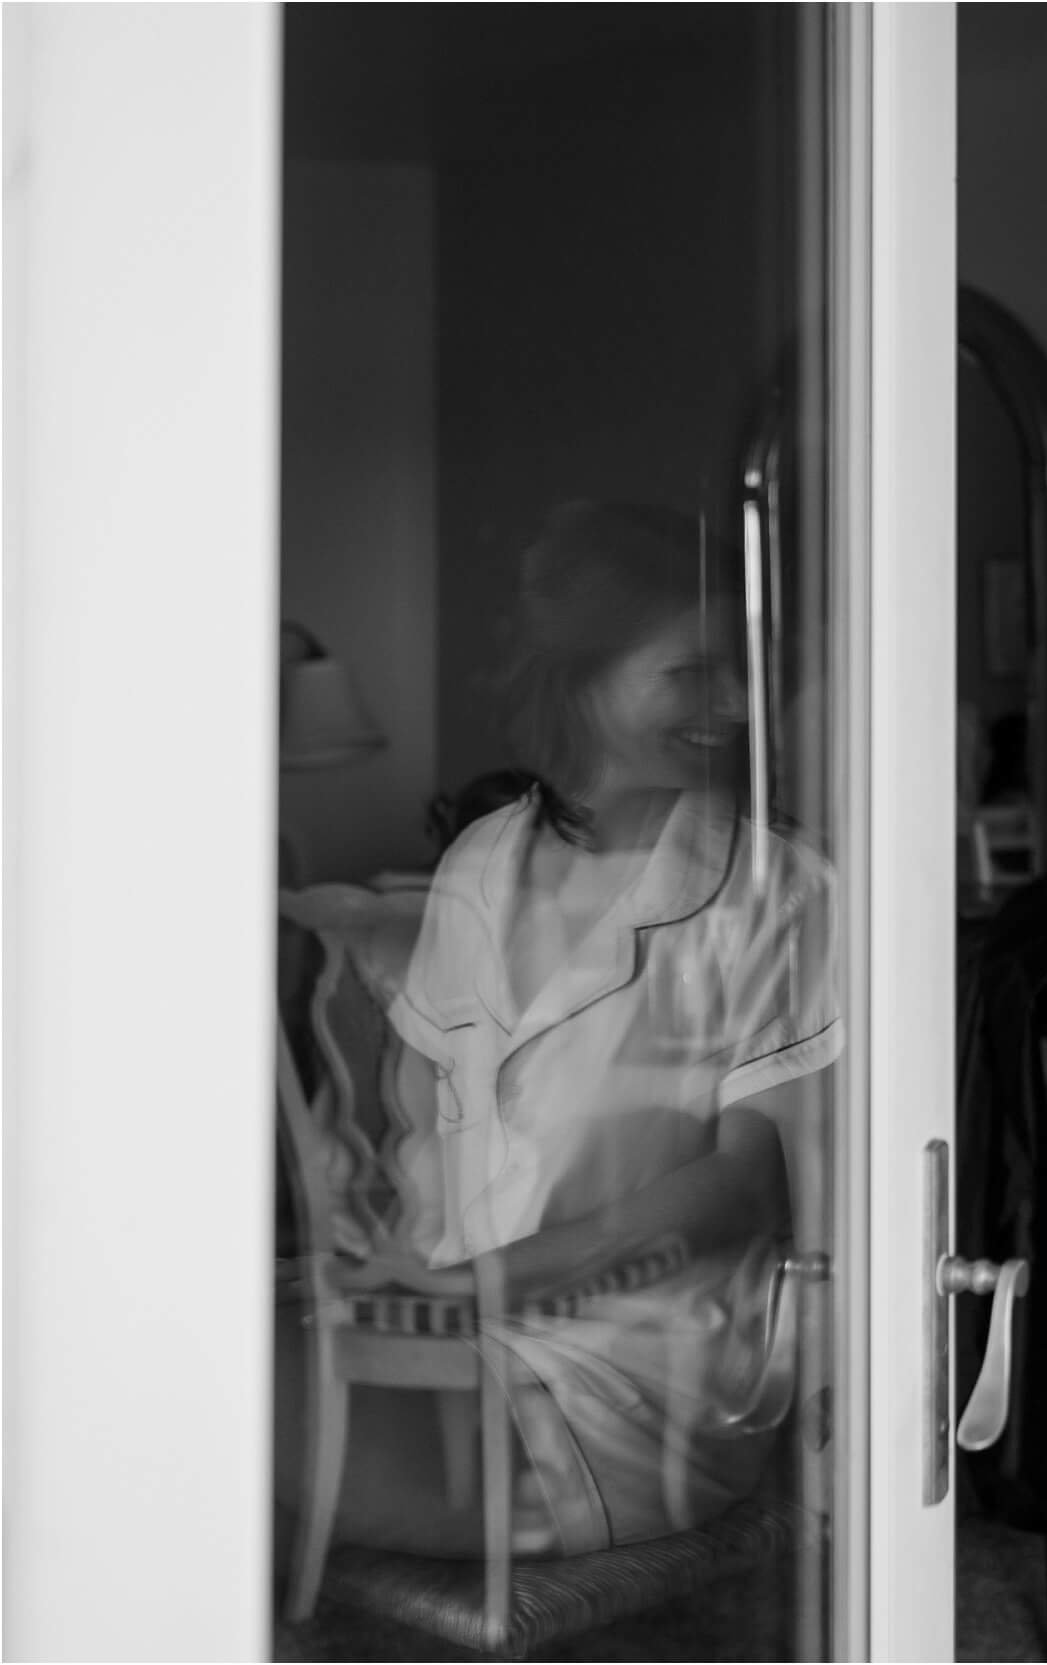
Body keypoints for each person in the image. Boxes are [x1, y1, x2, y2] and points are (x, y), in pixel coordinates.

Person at [277, 501, 840, 1557]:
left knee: (204, 1428)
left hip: (634, 1385)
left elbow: (746, 1186)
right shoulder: (481, 861)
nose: (734, 702)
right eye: (692, 671)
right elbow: (427, 1121)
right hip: (460, 1333)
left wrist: (481, 1290)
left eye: (742, 669)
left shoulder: (780, 890)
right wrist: (391, 1283)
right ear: (582, 678)